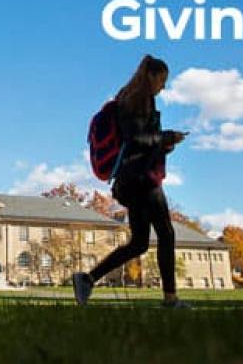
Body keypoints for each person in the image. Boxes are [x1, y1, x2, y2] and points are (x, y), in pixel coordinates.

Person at [73, 54, 190, 308]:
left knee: (139, 243)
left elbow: (140, 142)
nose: (163, 86)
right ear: (151, 76)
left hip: (131, 179)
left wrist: (164, 145)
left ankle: (87, 279)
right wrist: (167, 136)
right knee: (166, 234)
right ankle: (171, 299)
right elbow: (136, 139)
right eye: (162, 80)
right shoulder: (139, 100)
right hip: (141, 178)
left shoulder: (128, 98)